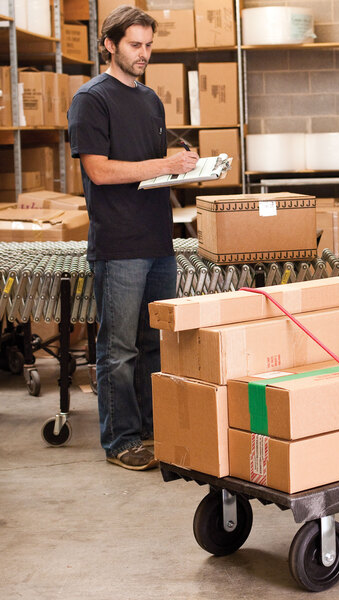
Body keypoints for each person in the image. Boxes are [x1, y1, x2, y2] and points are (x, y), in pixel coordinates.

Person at [67, 5, 199, 470]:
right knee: (118, 348)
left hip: (157, 241)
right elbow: (100, 171)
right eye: (134, 45)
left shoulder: (149, 100)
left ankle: (148, 427)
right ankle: (120, 440)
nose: (144, 54)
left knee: (154, 344)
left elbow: (147, 168)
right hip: (119, 244)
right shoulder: (91, 99)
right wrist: (165, 164)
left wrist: (184, 166)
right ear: (109, 44)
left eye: (148, 46)